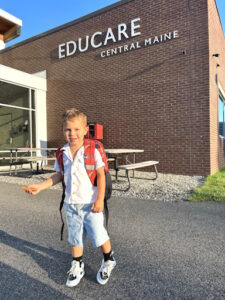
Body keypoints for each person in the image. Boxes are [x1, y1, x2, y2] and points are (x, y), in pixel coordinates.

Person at [25, 108, 116, 287]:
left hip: (91, 204)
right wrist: (40, 187)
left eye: (76, 129)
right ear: (63, 131)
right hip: (71, 204)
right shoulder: (63, 152)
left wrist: (99, 199)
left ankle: (109, 259)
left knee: (99, 235)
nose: (72, 133)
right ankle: (77, 263)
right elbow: (58, 176)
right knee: (75, 237)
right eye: (68, 130)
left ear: (84, 130)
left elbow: (101, 174)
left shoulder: (92, 149)